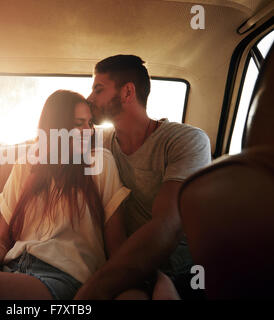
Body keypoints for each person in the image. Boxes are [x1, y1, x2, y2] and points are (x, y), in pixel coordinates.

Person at [0, 90, 132, 300]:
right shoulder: (26, 164)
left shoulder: (99, 162)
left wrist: (151, 278)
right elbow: (2, 240)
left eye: (90, 124)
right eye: (79, 124)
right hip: (11, 266)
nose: (87, 131)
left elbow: (118, 249)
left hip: (60, 278)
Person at [74, 55, 211, 300]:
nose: (89, 98)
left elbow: (167, 225)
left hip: (180, 272)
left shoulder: (185, 140)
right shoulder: (103, 141)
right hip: (127, 268)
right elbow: (58, 143)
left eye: (98, 89)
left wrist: (91, 291)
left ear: (127, 92)